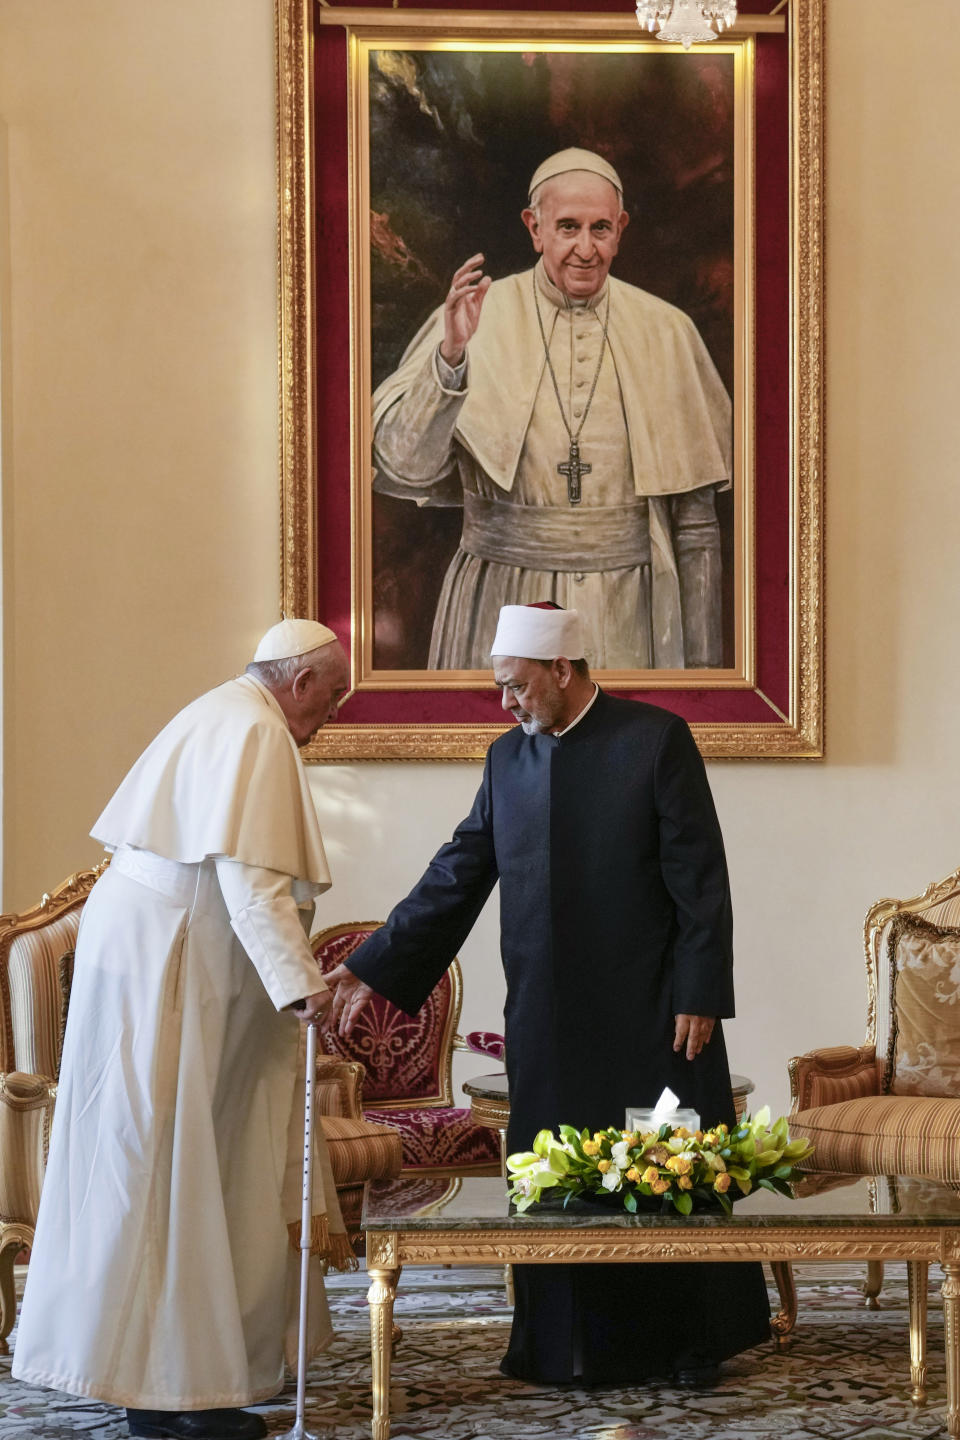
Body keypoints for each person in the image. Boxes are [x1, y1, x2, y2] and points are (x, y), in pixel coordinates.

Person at [327, 602, 769, 1387]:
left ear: (562, 671)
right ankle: (563, 1349)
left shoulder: (655, 740)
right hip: (548, 1015)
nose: (507, 704)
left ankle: (682, 1346)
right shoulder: (507, 759)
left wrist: (700, 992)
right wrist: (371, 962)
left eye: (517, 686)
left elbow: (702, 881)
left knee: (659, 1168)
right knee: (556, 1178)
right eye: (502, 689)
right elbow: (458, 873)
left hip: (651, 1012)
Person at [13, 619, 352, 1440]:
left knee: (160, 1168)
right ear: (299, 682)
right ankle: (169, 1399)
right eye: (333, 695)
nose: (333, 713)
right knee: (171, 1174)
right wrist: (303, 989)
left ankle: (174, 1384)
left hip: (163, 961)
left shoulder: (224, 714)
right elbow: (253, 882)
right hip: (174, 977)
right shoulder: (255, 733)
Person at [373, 147, 731, 671]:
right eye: (567, 227)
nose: (585, 249)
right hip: (500, 597)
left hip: (628, 606)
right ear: (534, 227)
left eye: (600, 228)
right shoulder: (477, 317)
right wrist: (450, 359)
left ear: (621, 229)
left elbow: (697, 527)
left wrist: (702, 680)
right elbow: (405, 467)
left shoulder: (667, 331)